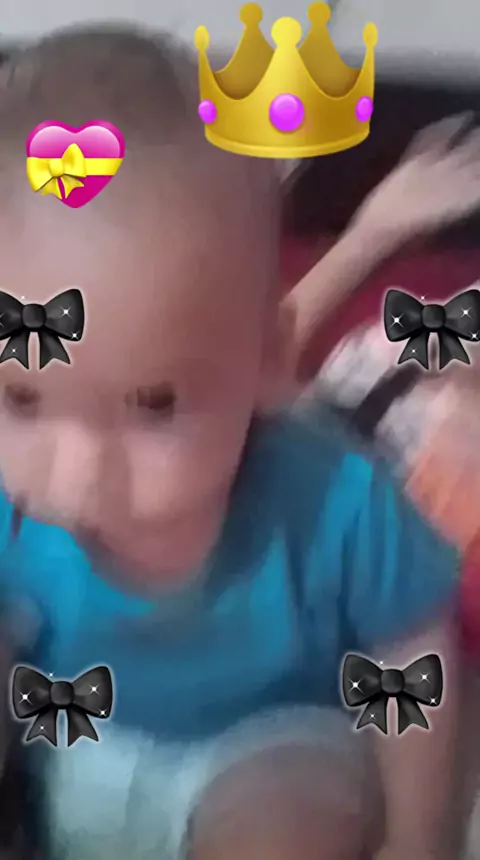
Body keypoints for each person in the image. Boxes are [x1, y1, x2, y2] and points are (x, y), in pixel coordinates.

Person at [0, 22, 477, 860]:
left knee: (288, 817)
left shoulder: (336, 501)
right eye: (21, 396)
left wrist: (420, 840)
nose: (77, 478)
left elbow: (414, 655)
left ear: (268, 360)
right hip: (70, 744)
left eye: (154, 404)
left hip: (265, 745)